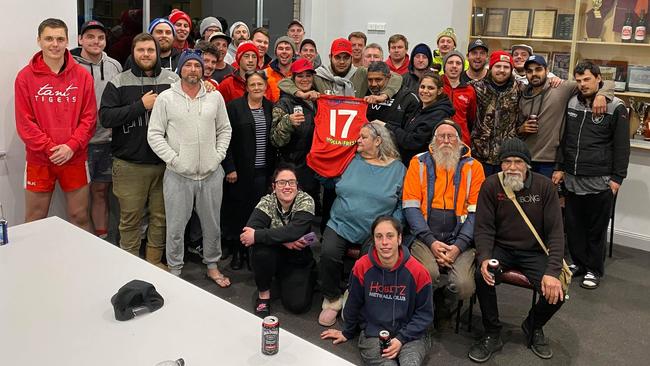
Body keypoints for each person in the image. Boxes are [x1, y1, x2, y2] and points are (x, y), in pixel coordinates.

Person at [469, 138, 565, 362]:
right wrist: (484, 258)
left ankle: (533, 325)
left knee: (558, 293)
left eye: (518, 162)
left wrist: (552, 272)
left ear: (527, 165)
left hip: (533, 252)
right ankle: (492, 333)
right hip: (501, 249)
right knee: (481, 277)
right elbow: (483, 228)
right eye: (507, 162)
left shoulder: (544, 187)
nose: (512, 167)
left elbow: (556, 233)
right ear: (500, 164)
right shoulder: (491, 185)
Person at [147, 50, 232, 283]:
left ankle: (212, 265)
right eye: (188, 65)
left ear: (202, 70)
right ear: (180, 70)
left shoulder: (215, 97)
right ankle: (175, 269)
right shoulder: (166, 98)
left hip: (211, 174)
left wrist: (217, 157)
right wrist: (174, 160)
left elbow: (224, 129)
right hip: (177, 175)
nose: (193, 69)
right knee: (175, 226)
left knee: (212, 225)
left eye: (197, 65)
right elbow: (154, 134)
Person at [99, 33, 180, 266]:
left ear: (157, 53)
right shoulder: (119, 81)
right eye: (141, 50)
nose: (146, 54)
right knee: (130, 219)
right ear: (133, 53)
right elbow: (106, 117)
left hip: (164, 165)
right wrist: (140, 106)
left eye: (150, 50)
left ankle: (154, 263)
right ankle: (130, 265)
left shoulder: (172, 80)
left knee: (161, 218)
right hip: (129, 165)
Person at [317, 122, 406, 327]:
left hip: (375, 230)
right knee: (328, 253)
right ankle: (332, 299)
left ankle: (354, 296)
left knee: (368, 262)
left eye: (363, 137)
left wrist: (393, 227)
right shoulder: (349, 160)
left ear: (377, 141)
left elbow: (402, 204)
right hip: (340, 222)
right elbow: (328, 178)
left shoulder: (398, 169)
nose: (358, 140)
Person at [15, 18, 96, 229]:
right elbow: (24, 123)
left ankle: (81, 261)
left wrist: (71, 146)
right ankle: (33, 262)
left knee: (79, 216)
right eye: (49, 38)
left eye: (60, 39)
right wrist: (50, 148)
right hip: (39, 159)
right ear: (39, 41)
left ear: (67, 41)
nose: (55, 44)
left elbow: (89, 118)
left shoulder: (82, 76)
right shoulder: (25, 77)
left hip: (75, 156)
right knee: (34, 218)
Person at [555, 61, 630, 289]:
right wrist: (560, 166)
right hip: (573, 177)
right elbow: (565, 138)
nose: (582, 84)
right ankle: (579, 263)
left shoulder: (616, 107)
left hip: (600, 179)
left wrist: (617, 178)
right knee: (574, 225)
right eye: (578, 81)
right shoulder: (572, 102)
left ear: (598, 78)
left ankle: (594, 270)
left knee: (596, 229)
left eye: (586, 79)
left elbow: (621, 147)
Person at [321, 216, 433, 366]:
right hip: (374, 334)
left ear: (399, 239)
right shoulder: (362, 266)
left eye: (390, 236)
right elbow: (354, 302)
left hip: (411, 335)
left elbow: (424, 314)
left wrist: (401, 338)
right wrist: (347, 332)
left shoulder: (418, 271)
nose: (384, 242)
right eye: (379, 237)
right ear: (373, 240)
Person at [403, 120, 485, 317]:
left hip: (461, 240)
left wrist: (458, 247)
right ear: (434, 140)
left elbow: (476, 214)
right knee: (427, 274)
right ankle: (425, 313)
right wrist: (431, 242)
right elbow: (411, 208)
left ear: (460, 142)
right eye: (441, 136)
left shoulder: (475, 167)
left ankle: (443, 301)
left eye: (451, 137)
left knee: (464, 286)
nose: (446, 141)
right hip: (425, 237)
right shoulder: (418, 162)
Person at [240, 164, 317, 317]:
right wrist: (285, 241)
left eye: (291, 182)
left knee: (297, 305)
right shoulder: (268, 201)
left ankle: (301, 277)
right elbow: (249, 230)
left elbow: (295, 231)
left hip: (298, 257)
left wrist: (259, 235)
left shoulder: (306, 200)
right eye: (282, 182)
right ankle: (264, 294)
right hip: (274, 253)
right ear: (274, 186)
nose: (287, 186)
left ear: (297, 186)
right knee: (260, 250)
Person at [517, 55, 612, 178]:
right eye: (529, 71)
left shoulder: (561, 88)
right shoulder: (522, 94)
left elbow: (606, 82)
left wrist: (602, 95)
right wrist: (521, 129)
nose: (534, 74)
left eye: (538, 69)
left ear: (547, 71)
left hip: (550, 161)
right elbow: (515, 128)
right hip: (524, 158)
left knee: (548, 196)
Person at [73, 20, 123, 239]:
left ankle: (101, 240)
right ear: (80, 39)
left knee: (101, 192)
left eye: (100, 37)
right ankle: (84, 242)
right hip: (80, 143)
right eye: (90, 36)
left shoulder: (115, 65)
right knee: (79, 197)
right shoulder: (70, 65)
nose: (96, 41)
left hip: (107, 140)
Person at [222, 71, 276, 270]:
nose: (256, 88)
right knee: (239, 213)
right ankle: (238, 251)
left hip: (263, 172)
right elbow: (224, 138)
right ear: (246, 87)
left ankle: (253, 252)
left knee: (258, 213)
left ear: (265, 86)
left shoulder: (271, 108)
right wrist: (230, 167)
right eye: (252, 84)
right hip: (240, 172)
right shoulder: (235, 107)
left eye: (260, 84)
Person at [278, 38, 402, 100]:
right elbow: (284, 82)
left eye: (346, 57)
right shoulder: (319, 75)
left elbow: (396, 77)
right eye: (337, 57)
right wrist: (302, 94)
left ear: (352, 58)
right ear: (330, 57)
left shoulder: (362, 73)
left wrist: (384, 95)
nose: (342, 62)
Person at [271, 58, 320, 203]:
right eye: (300, 76)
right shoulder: (284, 103)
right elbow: (275, 140)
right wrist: (288, 122)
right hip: (292, 169)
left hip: (315, 170)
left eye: (308, 75)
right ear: (293, 78)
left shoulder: (318, 100)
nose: (305, 79)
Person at [381, 71, 454, 164]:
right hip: (410, 163)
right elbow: (405, 129)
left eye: (430, 88)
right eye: (422, 87)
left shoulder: (439, 114)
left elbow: (412, 141)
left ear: (439, 91)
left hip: (424, 166)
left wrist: (388, 126)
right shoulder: (420, 107)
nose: (425, 91)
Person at [471, 51, 520, 175]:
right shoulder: (476, 88)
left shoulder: (520, 89)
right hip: (479, 154)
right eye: (498, 66)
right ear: (491, 67)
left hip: (506, 156)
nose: (502, 70)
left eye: (506, 67)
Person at [365, 61, 419, 134]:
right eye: (370, 80)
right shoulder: (365, 94)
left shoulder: (408, 98)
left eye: (378, 80)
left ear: (388, 77)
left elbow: (409, 136)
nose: (373, 84)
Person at [441, 50, 477, 145]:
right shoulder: (437, 85)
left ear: (462, 67)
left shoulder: (469, 90)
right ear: (444, 66)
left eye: (458, 63)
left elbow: (471, 118)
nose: (454, 66)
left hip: (461, 141)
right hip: (439, 139)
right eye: (450, 62)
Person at [264, 36, 296, 102]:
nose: (284, 52)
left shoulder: (300, 73)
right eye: (281, 48)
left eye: (287, 49)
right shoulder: (265, 73)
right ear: (275, 52)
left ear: (293, 53)